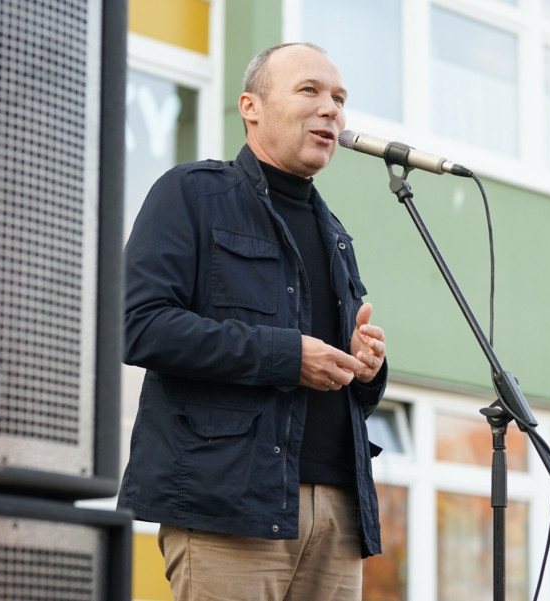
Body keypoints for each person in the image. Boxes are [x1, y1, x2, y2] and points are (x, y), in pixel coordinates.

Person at [116, 42, 388, 601]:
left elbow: (346, 384)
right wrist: (288, 356)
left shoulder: (337, 234)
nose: (331, 108)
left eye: (339, 98)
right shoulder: (191, 193)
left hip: (339, 515)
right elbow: (139, 326)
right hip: (228, 507)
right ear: (251, 107)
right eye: (310, 90)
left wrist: (367, 367)